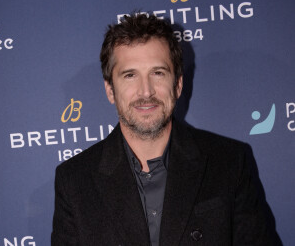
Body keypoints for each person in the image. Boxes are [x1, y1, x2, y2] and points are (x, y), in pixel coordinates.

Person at [51, 14, 274, 245]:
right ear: (110, 90)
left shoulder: (229, 163)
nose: (146, 92)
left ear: (177, 85)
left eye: (158, 73)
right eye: (130, 75)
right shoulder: (75, 181)